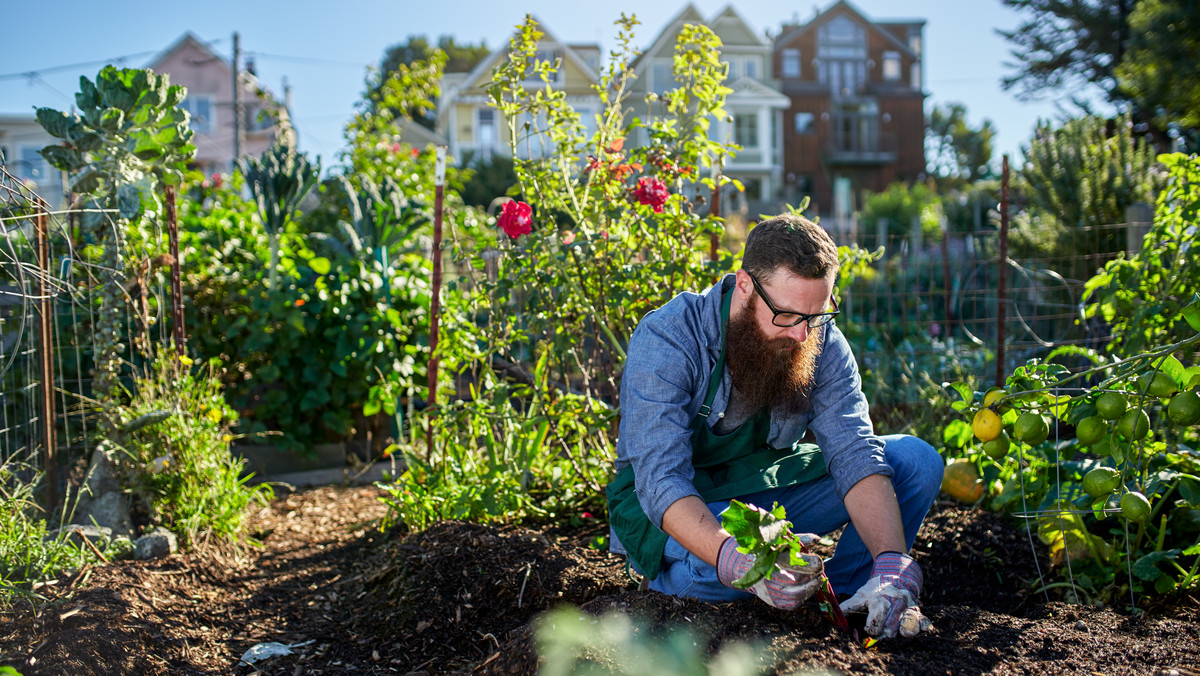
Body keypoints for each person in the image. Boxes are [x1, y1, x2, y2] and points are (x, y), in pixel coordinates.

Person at [606, 214, 944, 639]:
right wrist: (733, 557)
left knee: (915, 461)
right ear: (745, 285)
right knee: (719, 571)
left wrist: (892, 561)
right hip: (673, 505)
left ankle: (848, 600)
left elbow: (854, 450)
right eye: (786, 315)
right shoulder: (670, 338)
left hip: (761, 489)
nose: (803, 335)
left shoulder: (817, 338)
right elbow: (661, 481)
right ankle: (669, 588)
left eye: (816, 315)